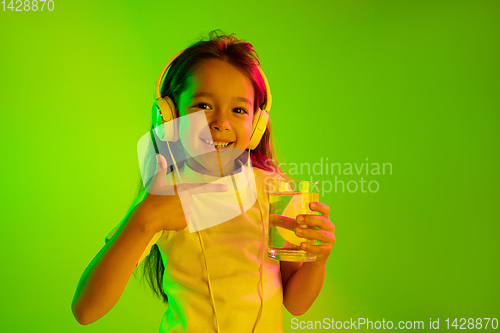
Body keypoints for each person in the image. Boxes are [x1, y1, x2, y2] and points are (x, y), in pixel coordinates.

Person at [71, 30, 336, 333]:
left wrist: (317, 260)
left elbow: (296, 304)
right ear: (170, 116)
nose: (220, 123)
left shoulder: (274, 191)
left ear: (257, 124)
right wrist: (144, 218)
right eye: (203, 106)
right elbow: (86, 310)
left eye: (238, 110)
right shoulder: (163, 196)